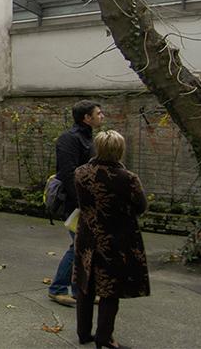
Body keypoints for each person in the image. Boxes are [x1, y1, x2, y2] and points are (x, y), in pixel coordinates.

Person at [73, 129, 150, 348]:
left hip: (87, 235)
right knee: (110, 289)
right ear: (120, 150)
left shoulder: (81, 172)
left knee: (85, 284)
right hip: (116, 238)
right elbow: (141, 206)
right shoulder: (128, 178)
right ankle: (104, 337)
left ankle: (83, 333)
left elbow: (83, 202)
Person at [48, 100, 104, 307]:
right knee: (80, 246)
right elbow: (68, 174)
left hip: (87, 201)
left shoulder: (88, 138)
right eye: (98, 113)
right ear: (86, 118)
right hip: (75, 204)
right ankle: (58, 289)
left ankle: (79, 290)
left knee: (83, 246)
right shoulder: (69, 139)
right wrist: (84, 202)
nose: (102, 116)